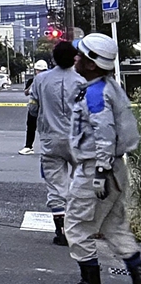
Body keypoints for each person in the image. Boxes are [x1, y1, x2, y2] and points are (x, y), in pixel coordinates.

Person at [66, 33, 141, 284]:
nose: (75, 58)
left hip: (97, 169)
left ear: (91, 64)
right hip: (113, 168)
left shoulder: (96, 93)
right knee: (114, 227)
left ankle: (90, 280)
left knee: (77, 227)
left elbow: (104, 132)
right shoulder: (108, 88)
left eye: (80, 55)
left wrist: (100, 171)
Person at [28, 44, 80, 245]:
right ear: (75, 58)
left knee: (56, 185)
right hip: (79, 139)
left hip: (51, 138)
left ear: (53, 59)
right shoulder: (82, 80)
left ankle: (61, 230)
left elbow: (33, 109)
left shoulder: (41, 79)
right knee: (82, 182)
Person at [19, 59, 50, 155]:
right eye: (38, 70)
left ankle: (47, 148)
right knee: (31, 126)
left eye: (42, 71)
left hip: (46, 107)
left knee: (46, 127)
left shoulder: (49, 81)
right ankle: (28, 146)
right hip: (33, 107)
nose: (39, 72)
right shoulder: (32, 80)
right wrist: (33, 84)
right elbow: (26, 92)